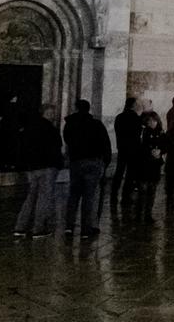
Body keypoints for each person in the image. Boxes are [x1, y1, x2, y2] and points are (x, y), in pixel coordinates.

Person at [14, 104, 63, 237]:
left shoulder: (29, 128)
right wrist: (58, 164)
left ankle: (20, 227)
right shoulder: (50, 129)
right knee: (44, 197)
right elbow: (56, 147)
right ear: (46, 113)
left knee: (31, 197)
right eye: (52, 113)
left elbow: (22, 146)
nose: (54, 115)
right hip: (47, 167)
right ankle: (38, 228)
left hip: (32, 167)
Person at [62, 99, 110, 238]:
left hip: (76, 162)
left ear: (76, 108)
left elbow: (68, 140)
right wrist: (105, 163)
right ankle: (86, 229)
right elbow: (105, 144)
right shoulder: (96, 124)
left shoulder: (70, 124)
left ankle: (69, 227)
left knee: (74, 195)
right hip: (93, 162)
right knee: (89, 197)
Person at [111, 96, 142, 208]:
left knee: (119, 172)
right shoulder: (136, 118)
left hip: (122, 148)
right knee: (130, 173)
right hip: (133, 149)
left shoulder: (119, 117)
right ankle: (125, 196)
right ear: (133, 105)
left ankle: (113, 195)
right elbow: (138, 134)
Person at [137, 110, 165, 214]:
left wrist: (160, 151)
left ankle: (148, 212)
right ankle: (140, 211)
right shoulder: (143, 132)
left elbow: (165, 144)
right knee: (143, 189)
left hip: (155, 164)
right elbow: (140, 146)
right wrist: (150, 151)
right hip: (144, 163)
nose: (152, 123)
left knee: (152, 189)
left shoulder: (160, 132)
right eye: (150, 121)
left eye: (154, 121)